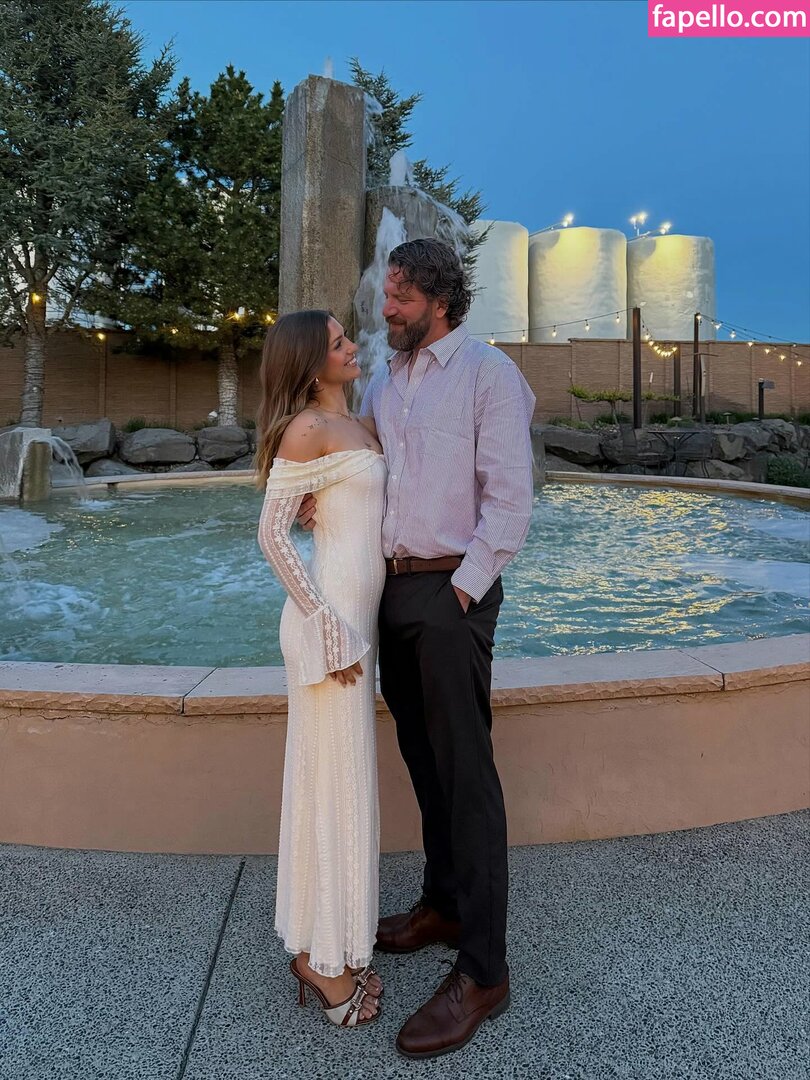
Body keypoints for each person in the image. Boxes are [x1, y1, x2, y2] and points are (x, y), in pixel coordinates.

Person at [297, 238, 536, 1058]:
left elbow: (510, 503)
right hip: (391, 593)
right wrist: (318, 504)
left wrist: (459, 595)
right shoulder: (387, 383)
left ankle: (485, 971)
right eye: (387, 294)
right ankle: (444, 905)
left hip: (448, 595)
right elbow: (363, 473)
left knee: (467, 778)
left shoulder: (489, 375)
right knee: (425, 764)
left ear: (438, 299)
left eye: (399, 296)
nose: (386, 309)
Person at [255, 309, 387, 1029]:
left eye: (346, 336)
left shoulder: (357, 422)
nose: (352, 345)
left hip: (358, 626)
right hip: (329, 630)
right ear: (311, 364)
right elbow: (272, 537)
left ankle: (331, 941)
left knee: (343, 783)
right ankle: (321, 963)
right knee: (330, 786)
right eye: (337, 343)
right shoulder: (307, 428)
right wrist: (328, 629)